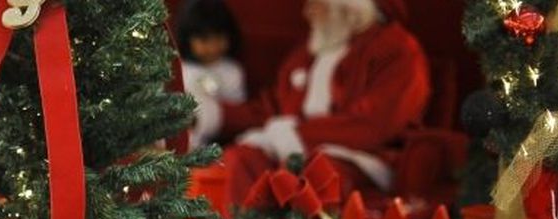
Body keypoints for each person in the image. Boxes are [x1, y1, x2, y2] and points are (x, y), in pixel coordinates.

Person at [206, 0, 429, 208]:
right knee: (239, 159)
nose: (307, 12)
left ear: (350, 10)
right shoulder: (308, 53)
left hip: (358, 157)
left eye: (317, 4)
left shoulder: (397, 49)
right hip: (294, 148)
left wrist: (298, 136)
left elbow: (375, 123)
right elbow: (270, 109)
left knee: (315, 172)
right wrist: (212, 114)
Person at [177, 0, 246, 149]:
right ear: (188, 39)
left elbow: (236, 114)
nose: (213, 47)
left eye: (219, 38)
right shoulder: (181, 69)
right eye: (204, 40)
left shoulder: (232, 71)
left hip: (219, 143)